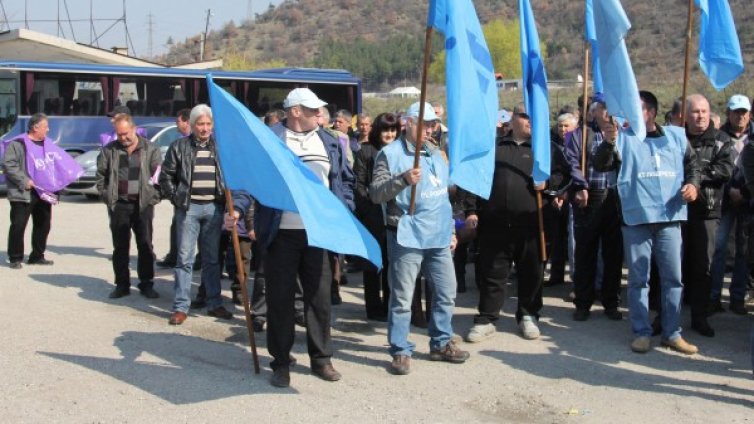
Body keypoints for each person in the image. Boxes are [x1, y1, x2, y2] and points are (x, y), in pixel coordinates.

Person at [244, 87, 353, 388]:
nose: (320, 114)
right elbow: (250, 181)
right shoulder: (270, 140)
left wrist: (345, 213)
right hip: (281, 234)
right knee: (279, 300)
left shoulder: (329, 141)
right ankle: (281, 362)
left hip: (318, 233)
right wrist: (239, 212)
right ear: (295, 112)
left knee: (319, 299)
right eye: (312, 110)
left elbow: (344, 182)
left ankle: (321, 360)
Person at [593, 90, 701, 355]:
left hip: (669, 218)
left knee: (673, 279)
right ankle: (641, 332)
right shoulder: (623, 139)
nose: (629, 115)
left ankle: (672, 332)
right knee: (638, 280)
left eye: (636, 109)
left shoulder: (676, 136)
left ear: (650, 112)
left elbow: (693, 165)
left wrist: (693, 185)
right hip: (636, 220)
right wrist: (608, 142)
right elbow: (601, 164)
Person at [370, 101, 469, 376]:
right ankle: (400, 350)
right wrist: (402, 180)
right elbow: (376, 193)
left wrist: (450, 230)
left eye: (434, 124)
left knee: (446, 291)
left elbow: (444, 199)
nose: (431, 129)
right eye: (426, 124)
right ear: (410, 123)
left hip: (438, 236)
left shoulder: (437, 154)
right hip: (406, 235)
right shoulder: (389, 155)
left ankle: (441, 342)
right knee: (402, 298)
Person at [464, 103, 568, 344]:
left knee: (532, 272)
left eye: (535, 117)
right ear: (512, 119)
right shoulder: (494, 148)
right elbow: (474, 180)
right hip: (494, 223)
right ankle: (487, 319)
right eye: (525, 116)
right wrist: (471, 211)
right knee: (492, 272)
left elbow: (565, 176)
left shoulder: (547, 149)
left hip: (534, 224)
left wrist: (548, 183)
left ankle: (528, 315)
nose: (531, 121)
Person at [159, 104, 233, 326]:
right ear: (192, 125)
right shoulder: (178, 146)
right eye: (200, 124)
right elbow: (166, 177)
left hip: (213, 208)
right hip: (189, 209)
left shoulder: (220, 148)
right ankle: (181, 307)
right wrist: (177, 198)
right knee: (184, 259)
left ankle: (214, 303)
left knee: (211, 259)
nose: (204, 128)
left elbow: (230, 177)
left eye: (208, 124)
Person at [564, 101, 624, 321]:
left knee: (613, 254)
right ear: (594, 111)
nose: (607, 111)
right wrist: (580, 186)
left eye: (611, 107)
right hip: (590, 197)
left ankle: (611, 302)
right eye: (603, 107)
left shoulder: (623, 133)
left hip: (615, 198)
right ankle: (583, 302)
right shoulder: (582, 134)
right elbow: (572, 162)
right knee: (585, 253)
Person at [95, 113, 162, 299]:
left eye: (125, 133)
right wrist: (107, 197)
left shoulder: (151, 149)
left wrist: (153, 198)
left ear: (134, 129)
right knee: (120, 247)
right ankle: (122, 284)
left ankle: (146, 283)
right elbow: (100, 176)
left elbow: (159, 176)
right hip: (120, 205)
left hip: (143, 206)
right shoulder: (109, 150)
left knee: (145, 245)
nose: (122, 138)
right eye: (119, 134)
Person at [683, 94, 733, 337]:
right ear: (685, 114)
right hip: (677, 212)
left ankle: (699, 317)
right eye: (695, 112)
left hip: (707, 213)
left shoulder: (722, 140)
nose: (700, 116)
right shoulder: (675, 138)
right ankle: (666, 316)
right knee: (673, 267)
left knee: (703, 267)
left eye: (704, 111)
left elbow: (724, 170)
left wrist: (694, 177)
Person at [3, 113, 82, 268]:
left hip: (44, 191)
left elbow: (58, 164)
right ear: (35, 127)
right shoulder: (18, 144)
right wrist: (24, 180)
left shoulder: (49, 144)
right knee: (18, 224)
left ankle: (37, 256)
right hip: (24, 191)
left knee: (43, 224)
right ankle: (15, 258)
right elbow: (9, 165)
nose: (48, 129)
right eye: (45, 126)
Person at [353, 112, 400, 321]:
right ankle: (373, 307)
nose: (389, 134)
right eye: (385, 130)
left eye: (393, 130)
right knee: (373, 262)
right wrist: (372, 201)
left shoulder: (401, 152)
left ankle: (391, 304)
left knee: (393, 263)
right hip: (372, 213)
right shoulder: (365, 151)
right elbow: (358, 183)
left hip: (395, 214)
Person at [709, 95, 752, 316]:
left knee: (744, 251)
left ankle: (737, 297)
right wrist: (730, 191)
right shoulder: (719, 136)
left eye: (744, 112)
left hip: (748, 201)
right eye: (736, 111)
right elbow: (713, 166)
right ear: (728, 113)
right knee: (719, 248)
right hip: (723, 201)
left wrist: (744, 192)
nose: (740, 116)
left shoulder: (753, 137)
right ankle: (713, 296)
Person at [157, 108, 192, 268]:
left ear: (187, 121)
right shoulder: (179, 144)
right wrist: (174, 195)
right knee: (177, 227)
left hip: (198, 197)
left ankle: (187, 259)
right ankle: (175, 257)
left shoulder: (207, 143)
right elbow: (168, 172)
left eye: (178, 121)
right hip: (181, 195)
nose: (176, 124)